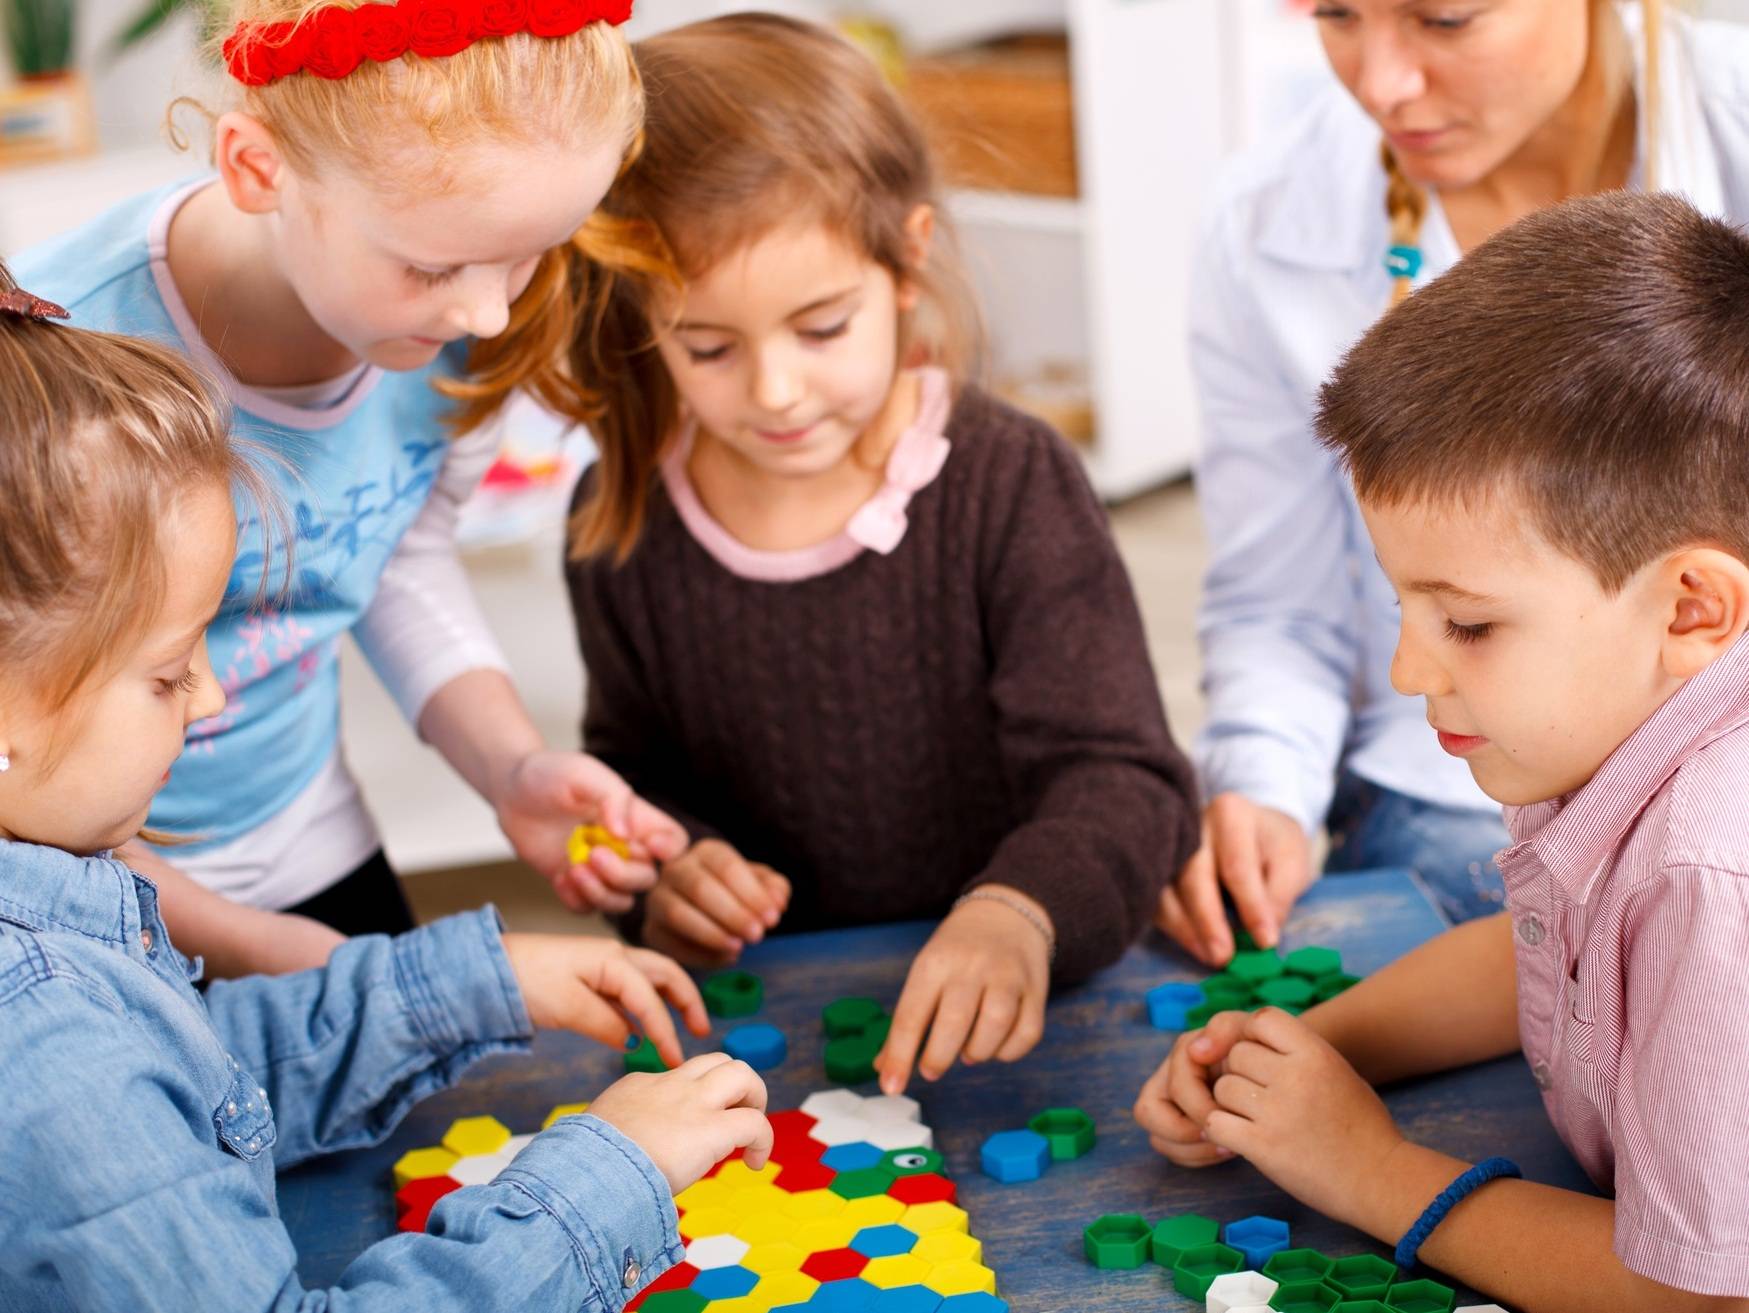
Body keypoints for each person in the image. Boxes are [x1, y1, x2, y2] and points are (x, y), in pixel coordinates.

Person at [0, 259, 770, 1311]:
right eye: (169, 669)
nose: (214, 697)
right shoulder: (46, 1043)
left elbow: (193, 1087)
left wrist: (463, 983)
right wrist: (601, 1177)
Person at [469, 13, 1199, 1095]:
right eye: (707, 347)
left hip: (1030, 1017)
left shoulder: (1006, 481)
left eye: (821, 328)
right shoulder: (617, 519)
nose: (773, 391)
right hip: (776, 1043)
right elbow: (636, 777)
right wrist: (668, 874)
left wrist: (1020, 910)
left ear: (906, 260)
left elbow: (1128, 779)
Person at [1139, 192, 1749, 1310]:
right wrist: (1306, 1052)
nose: (1412, 670)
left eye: (1466, 623)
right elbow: (1545, 953)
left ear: (1691, 606)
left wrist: (1366, 1166)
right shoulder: (1618, 724)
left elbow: (1699, 1297)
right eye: (1403, 610)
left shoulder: (1715, 874)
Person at [11, 0, 683, 974]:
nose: (488, 313)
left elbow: (387, 549)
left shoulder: (458, 323)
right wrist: (248, 944)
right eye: (430, 265)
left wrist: (509, 766)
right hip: (78, 887)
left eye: (529, 253)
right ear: (257, 169)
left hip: (309, 828)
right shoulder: (61, 355)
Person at [1168, 0, 1749, 964]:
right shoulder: (1262, 223)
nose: (1380, 83)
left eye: (1444, 19)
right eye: (1334, 14)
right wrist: (1259, 785)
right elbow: (1278, 601)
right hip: (1446, 785)